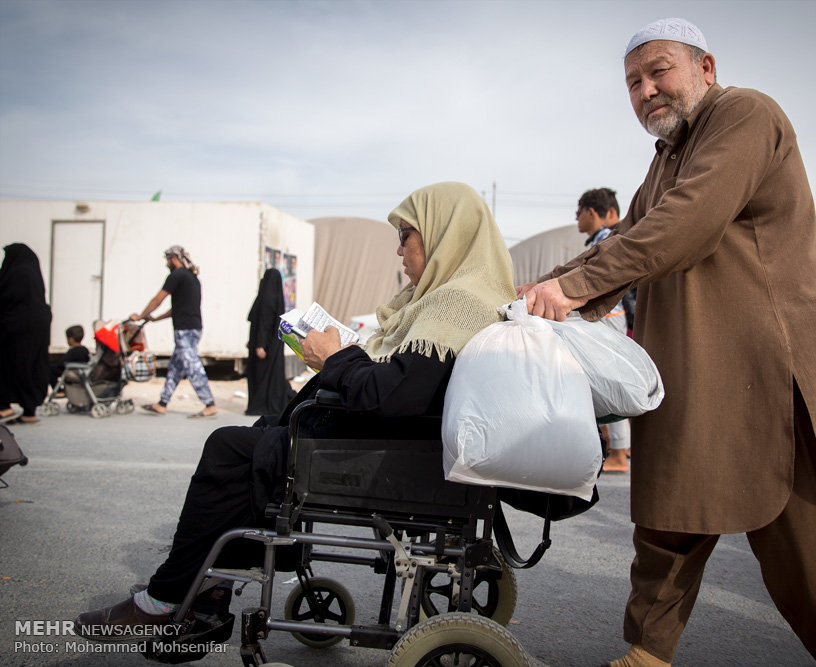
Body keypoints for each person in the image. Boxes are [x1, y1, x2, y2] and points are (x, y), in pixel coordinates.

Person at [521, 18, 816, 666]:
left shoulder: (746, 115)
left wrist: (577, 286)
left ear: (706, 68)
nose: (646, 90)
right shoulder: (664, 159)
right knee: (667, 523)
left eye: (659, 70)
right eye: (633, 82)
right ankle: (647, 654)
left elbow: (684, 221)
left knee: (807, 555)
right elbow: (622, 240)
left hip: (773, 376)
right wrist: (530, 293)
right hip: (696, 374)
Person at [75, 181, 515, 640]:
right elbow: (401, 382)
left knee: (228, 447)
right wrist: (343, 356)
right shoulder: (457, 295)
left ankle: (166, 600)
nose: (398, 250)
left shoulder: (456, 302)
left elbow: (394, 396)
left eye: (406, 234)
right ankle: (206, 586)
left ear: (445, 232)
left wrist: (334, 358)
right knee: (256, 435)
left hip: (390, 456)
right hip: (390, 444)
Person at [576, 187, 632, 473]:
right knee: (608, 380)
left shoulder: (606, 238)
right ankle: (618, 449)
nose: (576, 220)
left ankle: (619, 454)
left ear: (591, 212)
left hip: (610, 315)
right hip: (613, 315)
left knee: (610, 381)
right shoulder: (601, 237)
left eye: (579, 213)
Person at [131, 246, 217, 418]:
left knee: (192, 366)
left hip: (185, 330)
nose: (166, 263)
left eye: (167, 259)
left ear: (174, 258)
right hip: (192, 327)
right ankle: (162, 403)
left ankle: (210, 404)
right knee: (175, 368)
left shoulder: (176, 276)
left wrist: (140, 315)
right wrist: (155, 318)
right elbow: (177, 308)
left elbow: (158, 299)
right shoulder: (192, 278)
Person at [0, 243, 52, 425]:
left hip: (16, 325)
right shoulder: (33, 274)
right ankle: (29, 411)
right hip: (39, 325)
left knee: (8, 364)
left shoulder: (16, 272)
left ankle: (4, 406)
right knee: (34, 366)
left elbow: (5, 297)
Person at [245, 268, 295, 416]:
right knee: (272, 376)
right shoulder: (276, 298)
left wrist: (259, 344)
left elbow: (264, 323)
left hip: (264, 347)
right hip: (274, 345)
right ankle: (266, 403)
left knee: (260, 376)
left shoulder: (266, 298)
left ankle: (260, 405)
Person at [49, 324, 90, 390]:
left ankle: (58, 390)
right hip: (80, 372)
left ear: (71, 339)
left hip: (70, 370)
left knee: (50, 369)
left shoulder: (73, 351)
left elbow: (61, 363)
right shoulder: (85, 349)